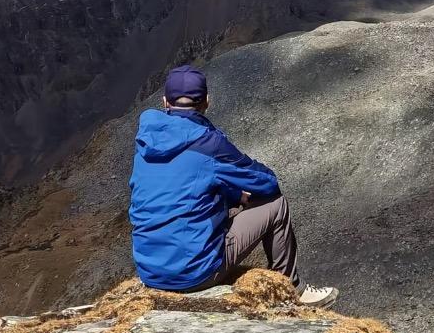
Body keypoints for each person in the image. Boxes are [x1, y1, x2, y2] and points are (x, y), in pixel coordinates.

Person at [129, 65, 338, 307]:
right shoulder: (208, 142)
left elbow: (188, 182)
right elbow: (266, 183)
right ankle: (292, 290)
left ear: (165, 102)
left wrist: (235, 195)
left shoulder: (145, 141)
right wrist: (242, 193)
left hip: (150, 273)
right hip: (194, 274)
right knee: (277, 205)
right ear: (206, 102)